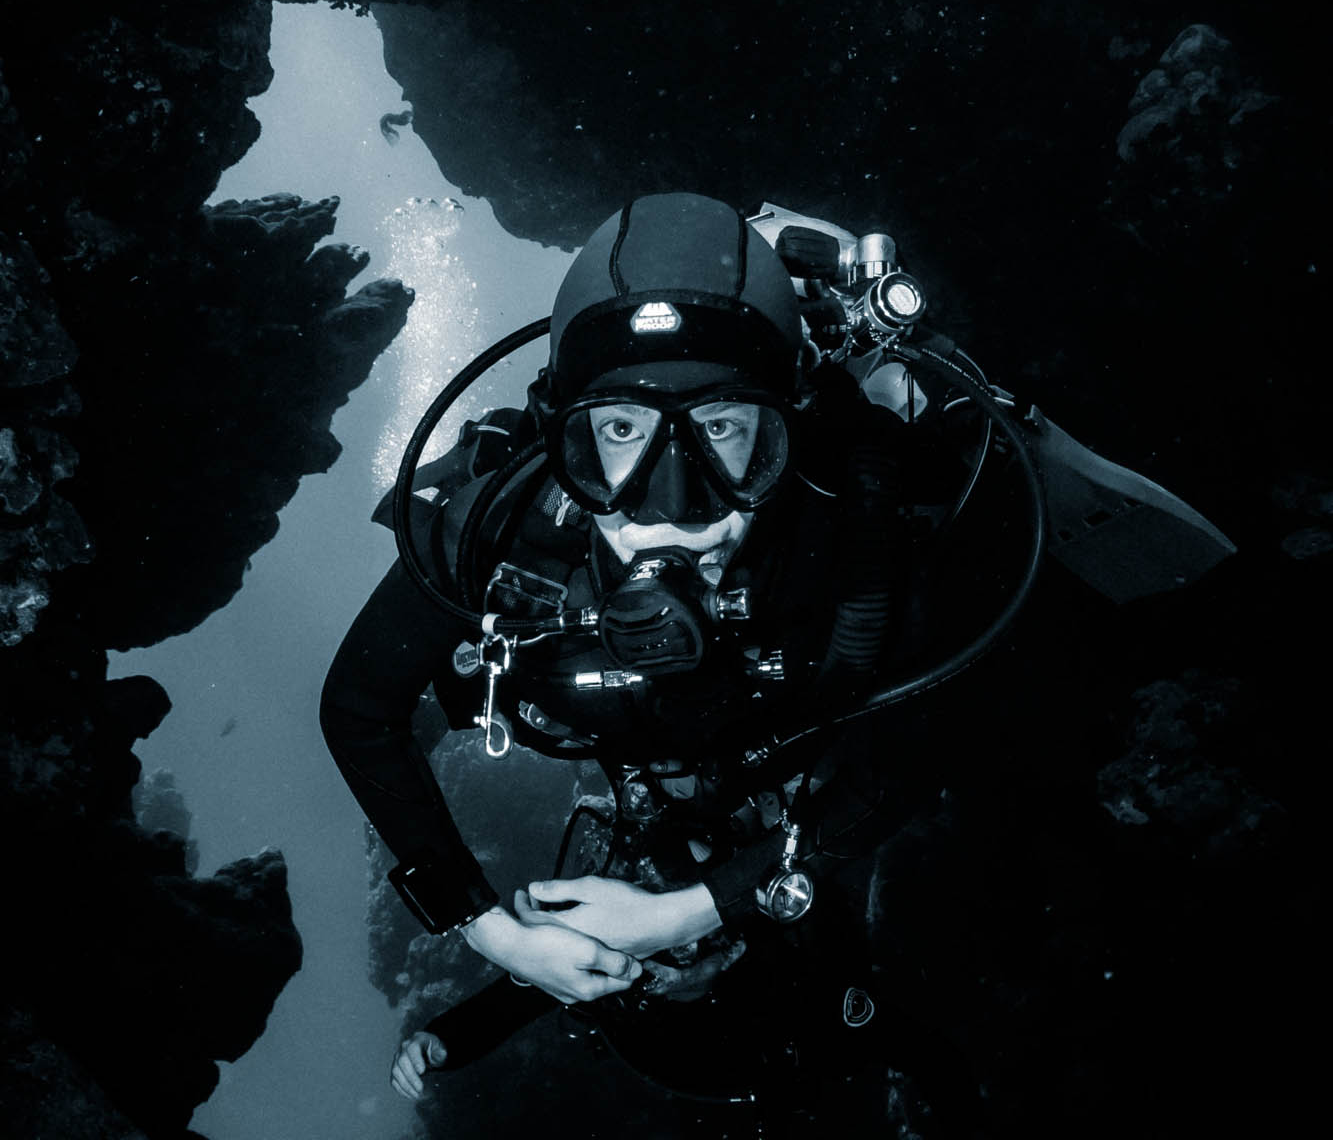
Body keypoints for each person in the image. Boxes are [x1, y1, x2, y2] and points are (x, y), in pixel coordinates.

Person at [319, 191, 1230, 1130]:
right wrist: (492, 932)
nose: (670, 507)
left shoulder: (851, 527)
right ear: (562, 440)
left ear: (788, 429)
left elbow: (931, 741)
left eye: (723, 429)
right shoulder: (502, 531)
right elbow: (358, 710)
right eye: (620, 432)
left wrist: (693, 911)